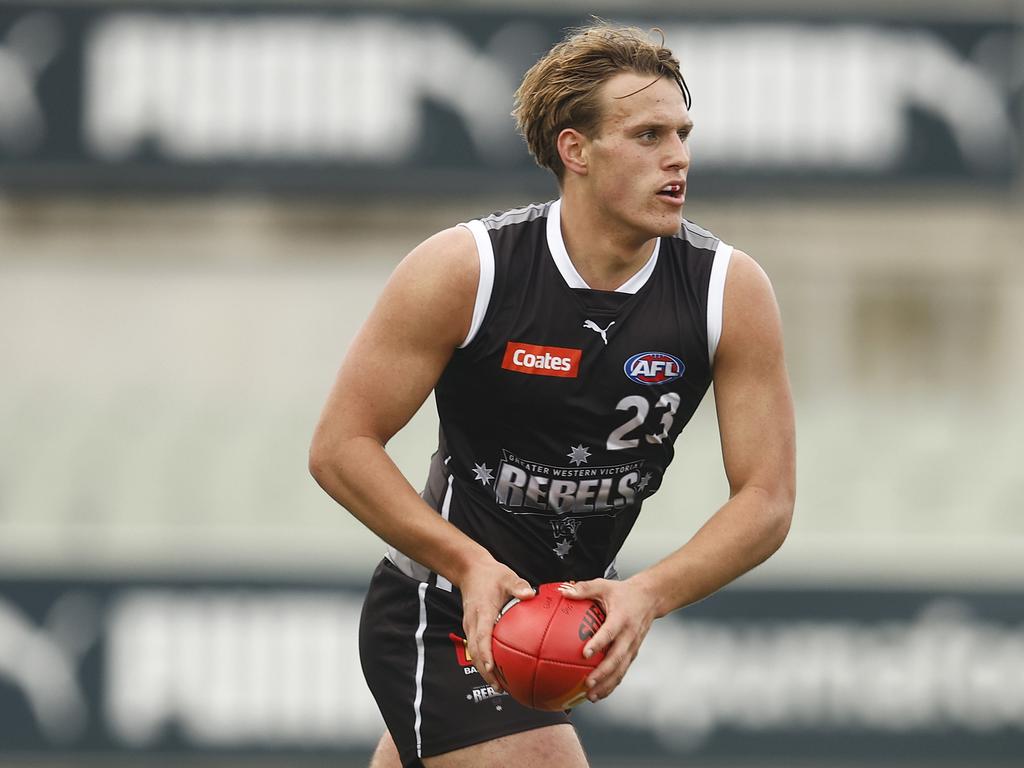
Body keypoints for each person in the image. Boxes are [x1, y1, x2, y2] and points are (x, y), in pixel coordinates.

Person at [309, 21, 795, 768]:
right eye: (648, 135)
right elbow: (340, 448)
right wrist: (467, 564)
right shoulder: (468, 270)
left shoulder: (727, 290)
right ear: (576, 150)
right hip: (440, 607)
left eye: (683, 133)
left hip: (557, 633)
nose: (679, 158)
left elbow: (766, 499)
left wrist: (648, 593)